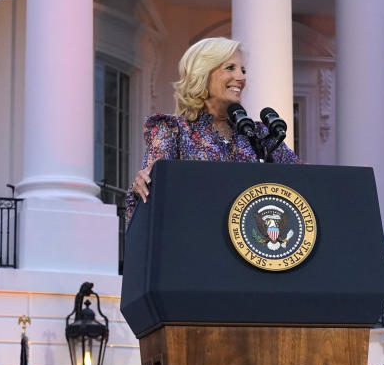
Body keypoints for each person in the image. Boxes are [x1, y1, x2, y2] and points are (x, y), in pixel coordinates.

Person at [125, 37, 299, 225]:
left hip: (252, 244)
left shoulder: (258, 134)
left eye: (243, 70)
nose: (241, 77)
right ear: (203, 73)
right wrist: (143, 182)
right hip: (196, 242)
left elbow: (305, 180)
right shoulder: (173, 130)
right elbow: (151, 189)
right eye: (230, 68)